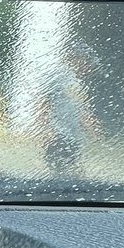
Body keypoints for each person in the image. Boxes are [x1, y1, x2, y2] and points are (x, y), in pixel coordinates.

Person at [39, 46, 101, 176]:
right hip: (58, 134)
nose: (88, 69)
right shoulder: (58, 75)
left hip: (73, 137)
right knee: (63, 173)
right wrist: (46, 130)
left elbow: (81, 110)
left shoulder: (78, 82)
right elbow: (41, 102)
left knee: (72, 173)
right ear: (76, 59)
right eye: (86, 63)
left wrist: (92, 131)